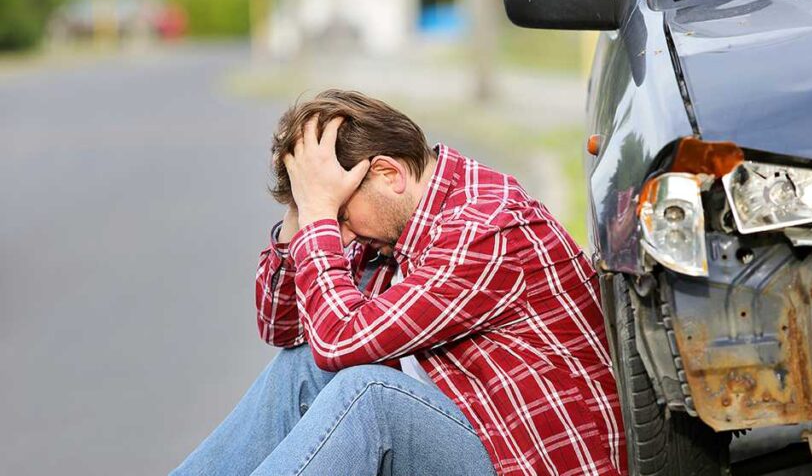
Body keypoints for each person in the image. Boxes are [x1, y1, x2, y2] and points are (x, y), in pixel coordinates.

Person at [172, 90, 625, 475]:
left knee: (369, 398)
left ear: (390, 175)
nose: (339, 234)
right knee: (302, 365)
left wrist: (319, 214)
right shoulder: (390, 227)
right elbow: (284, 327)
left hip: (536, 463)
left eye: (340, 214)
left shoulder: (485, 228)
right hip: (482, 439)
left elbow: (338, 339)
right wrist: (302, 209)